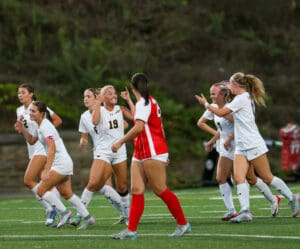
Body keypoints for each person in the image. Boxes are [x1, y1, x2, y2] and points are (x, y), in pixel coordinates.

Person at [195, 72, 299, 223]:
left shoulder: (242, 98)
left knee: (267, 177)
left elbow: (220, 112)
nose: (229, 88)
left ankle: (292, 198)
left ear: (237, 86)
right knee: (238, 178)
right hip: (241, 146)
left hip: (253, 143)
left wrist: (205, 103)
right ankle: (245, 212)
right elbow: (221, 112)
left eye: (231, 85)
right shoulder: (238, 98)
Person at [111, 73, 190, 239]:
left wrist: (120, 142)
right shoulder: (146, 102)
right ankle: (131, 230)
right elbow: (157, 127)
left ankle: (183, 224)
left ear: (132, 87)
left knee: (160, 189)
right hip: (142, 151)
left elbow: (139, 127)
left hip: (152, 151)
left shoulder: (145, 103)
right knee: (136, 190)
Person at [15, 100, 95, 229]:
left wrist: (47, 170)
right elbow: (31, 140)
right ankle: (88, 218)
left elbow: (51, 148)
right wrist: (21, 126)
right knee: (67, 193)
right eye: (30, 110)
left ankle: (64, 213)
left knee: (41, 190)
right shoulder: (38, 125)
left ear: (42, 113)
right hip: (62, 163)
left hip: (61, 164)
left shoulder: (46, 126)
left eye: (33, 111)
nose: (30, 113)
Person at [69, 87, 133, 226]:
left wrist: (127, 102)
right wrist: (83, 142)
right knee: (95, 183)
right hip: (102, 152)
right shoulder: (86, 115)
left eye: (88, 96)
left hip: (118, 151)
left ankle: (127, 216)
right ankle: (81, 215)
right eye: (84, 96)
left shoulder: (115, 108)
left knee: (120, 186)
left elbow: (129, 122)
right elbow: (87, 132)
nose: (85, 99)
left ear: (97, 97)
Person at [14, 84, 62, 226]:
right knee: (45, 182)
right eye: (18, 93)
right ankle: (57, 209)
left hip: (42, 148)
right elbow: (25, 129)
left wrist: (44, 133)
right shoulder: (19, 110)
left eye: (23, 92)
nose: (20, 95)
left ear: (31, 94)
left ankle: (51, 208)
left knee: (28, 180)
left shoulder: (38, 107)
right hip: (32, 148)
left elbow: (58, 120)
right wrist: (19, 127)